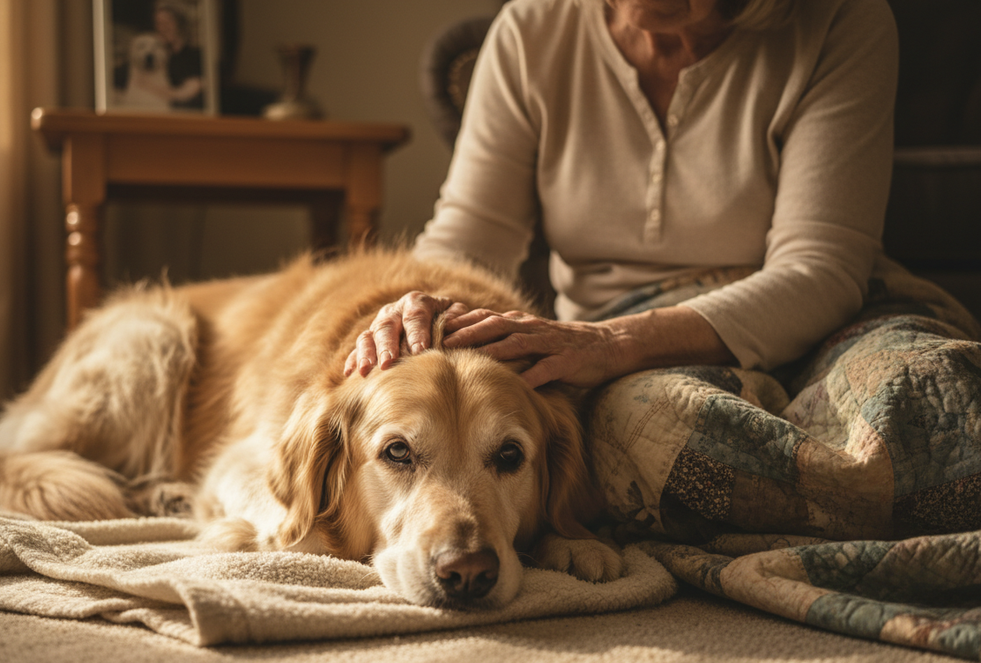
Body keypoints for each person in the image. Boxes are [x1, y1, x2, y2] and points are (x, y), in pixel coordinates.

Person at [344, 0, 899, 391]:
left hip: (817, 326)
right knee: (662, 428)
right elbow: (469, 240)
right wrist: (421, 303)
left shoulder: (841, 20)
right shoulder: (530, 30)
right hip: (603, 344)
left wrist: (614, 343)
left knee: (925, 393)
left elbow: (822, 269)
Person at [152, 3, 205, 110]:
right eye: (159, 23)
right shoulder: (158, 57)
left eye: (168, 21)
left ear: (180, 23)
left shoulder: (195, 56)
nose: (163, 28)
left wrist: (147, 87)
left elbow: (186, 93)